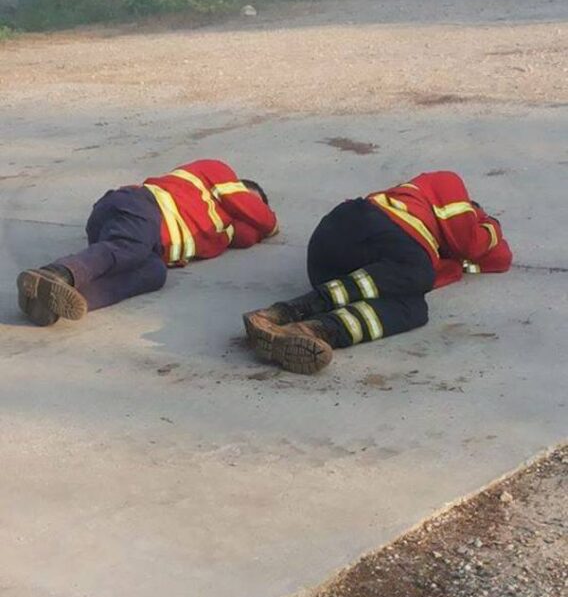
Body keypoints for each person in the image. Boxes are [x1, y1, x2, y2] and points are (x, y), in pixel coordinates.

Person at [244, 170, 512, 375]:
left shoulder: (429, 256)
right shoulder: (445, 184)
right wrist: (491, 224)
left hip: (338, 273)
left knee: (413, 309)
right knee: (419, 272)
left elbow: (500, 259)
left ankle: (311, 330)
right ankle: (287, 311)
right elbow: (469, 243)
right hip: (356, 225)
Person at [18, 158, 278, 326]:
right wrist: (272, 224)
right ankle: (56, 273)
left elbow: (249, 235)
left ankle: (51, 301)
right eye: (251, 202)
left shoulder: (224, 228)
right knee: (129, 247)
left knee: (154, 273)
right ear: (240, 189)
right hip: (138, 206)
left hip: (142, 245)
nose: (248, 211)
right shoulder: (217, 171)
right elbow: (261, 220)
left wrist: (253, 226)